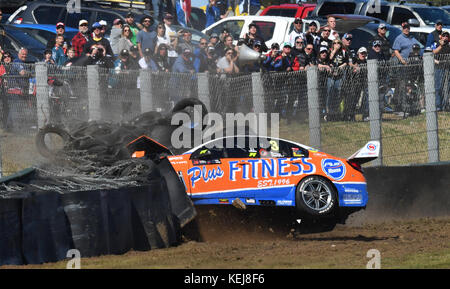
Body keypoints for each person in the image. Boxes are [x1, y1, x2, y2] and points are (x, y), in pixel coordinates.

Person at [325, 39, 348, 121]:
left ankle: (336, 112)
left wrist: (340, 67)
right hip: (331, 76)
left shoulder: (344, 52)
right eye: (335, 43)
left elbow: (346, 62)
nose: (336, 44)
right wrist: (334, 50)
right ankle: (328, 113)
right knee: (329, 93)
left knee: (337, 93)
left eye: (338, 43)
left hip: (339, 75)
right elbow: (328, 59)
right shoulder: (330, 51)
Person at [431, 31, 450, 111]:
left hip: (447, 68)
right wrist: (441, 45)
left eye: (447, 36)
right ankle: (438, 106)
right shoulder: (436, 44)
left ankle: (445, 105)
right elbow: (432, 53)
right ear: (440, 36)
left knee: (446, 88)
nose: (445, 37)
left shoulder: (449, 45)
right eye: (444, 35)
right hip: (438, 68)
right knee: (438, 87)